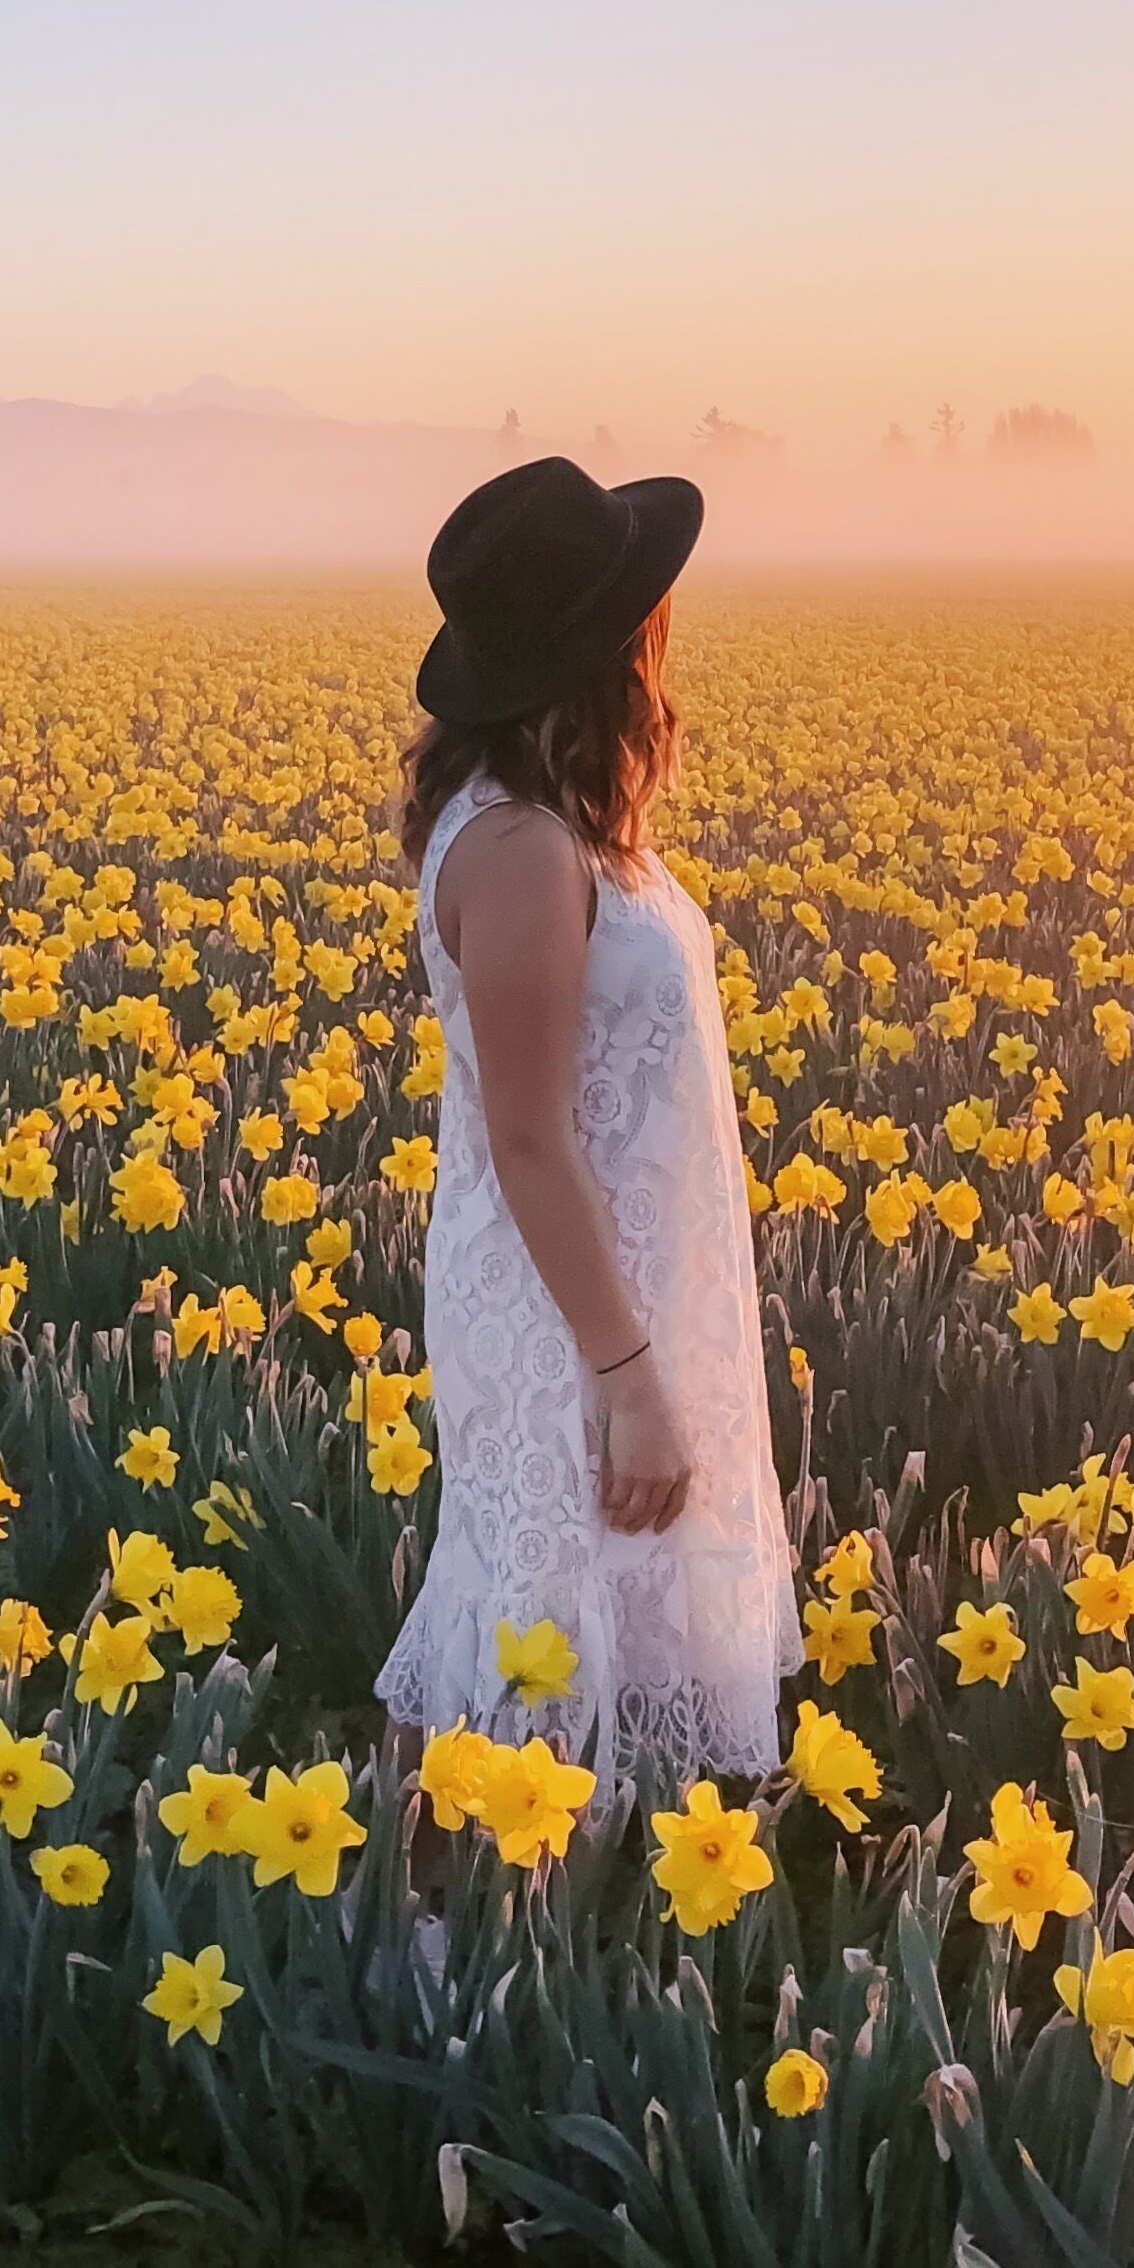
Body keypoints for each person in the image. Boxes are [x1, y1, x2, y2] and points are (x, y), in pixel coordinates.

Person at [376, 454, 800, 1783]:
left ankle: (498, 1962)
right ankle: (468, 1965)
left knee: (555, 1617)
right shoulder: (521, 853)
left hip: (606, 1286)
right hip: (568, 1313)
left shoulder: (550, 824)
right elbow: (527, 1138)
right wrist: (625, 1379)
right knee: (533, 1627)